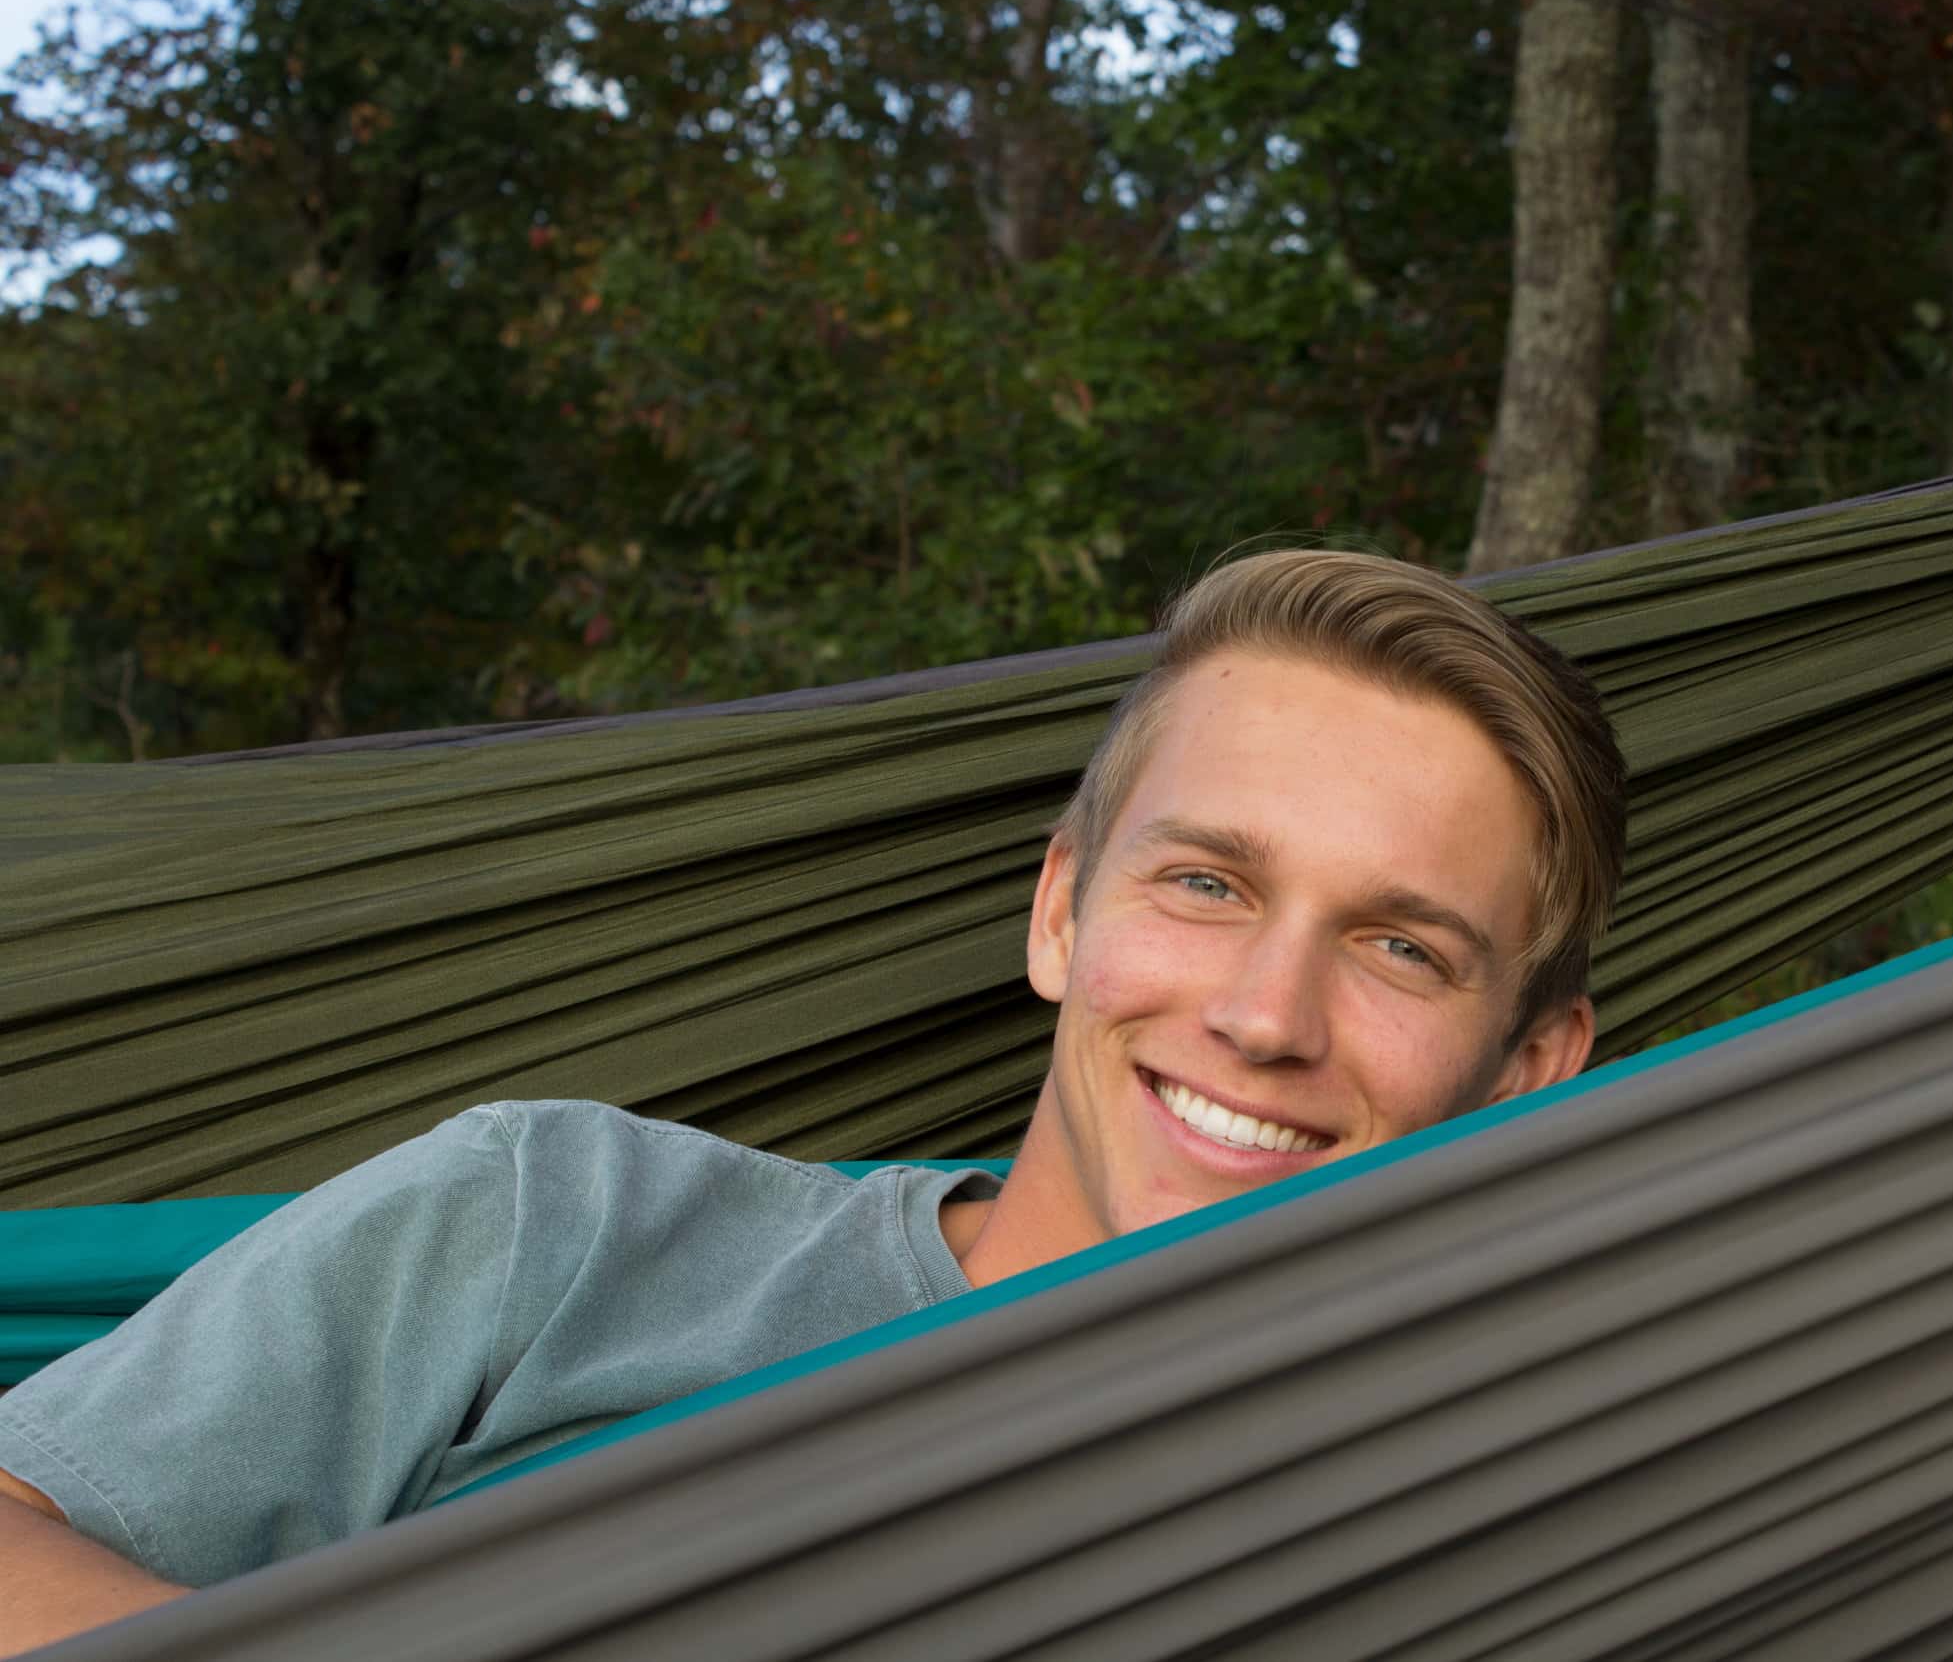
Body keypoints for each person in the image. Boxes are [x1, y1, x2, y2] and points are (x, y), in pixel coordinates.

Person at [0, 549, 1627, 1651]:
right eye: (1205, 883)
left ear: (1534, 1066)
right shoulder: (567, 1223)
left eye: (1401, 948)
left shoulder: (1527, 1530)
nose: (1266, 1016)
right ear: (1060, 914)